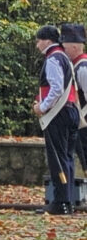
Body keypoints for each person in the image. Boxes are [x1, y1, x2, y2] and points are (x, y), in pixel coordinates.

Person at [33, 25, 79, 215]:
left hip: (58, 115)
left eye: (38, 40)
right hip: (70, 112)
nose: (37, 45)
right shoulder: (65, 59)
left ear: (47, 41)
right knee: (67, 158)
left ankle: (60, 201)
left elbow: (56, 88)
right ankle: (67, 200)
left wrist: (41, 107)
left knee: (57, 159)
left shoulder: (53, 59)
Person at [60, 23, 87, 171]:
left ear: (75, 47)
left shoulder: (83, 67)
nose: (63, 51)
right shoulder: (76, 66)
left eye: (65, 47)